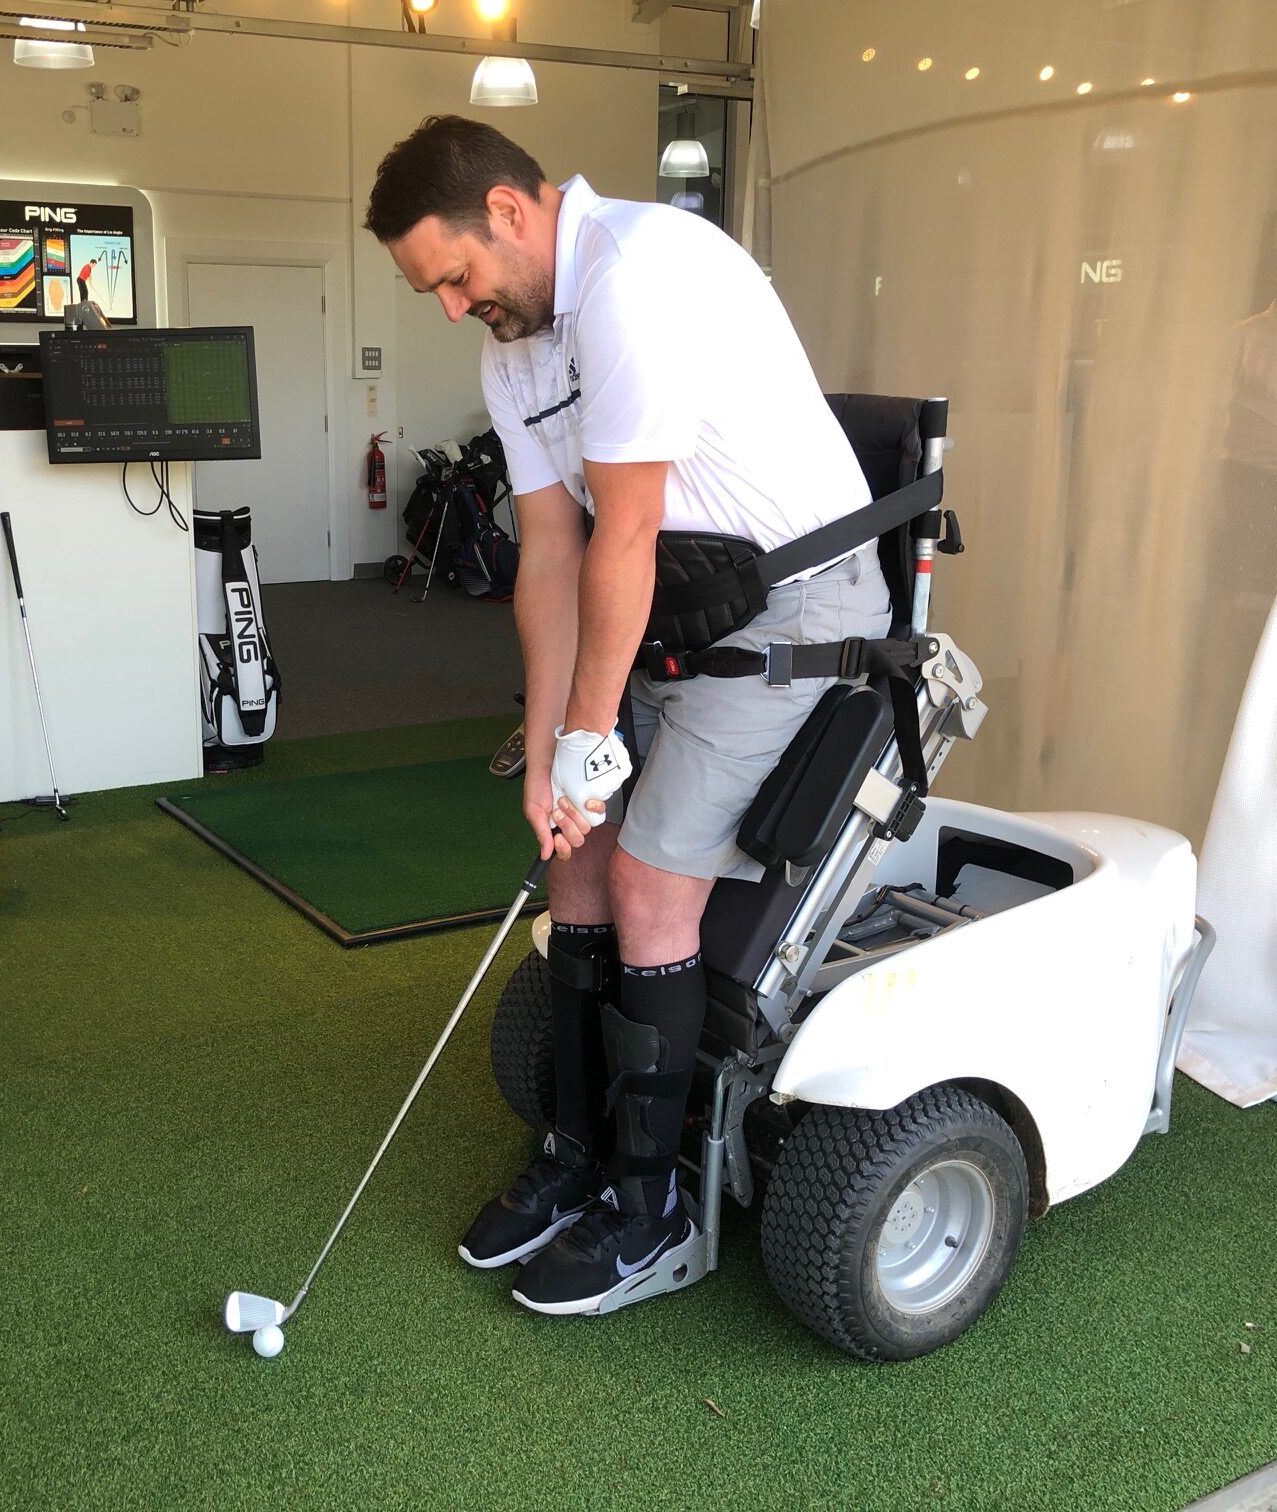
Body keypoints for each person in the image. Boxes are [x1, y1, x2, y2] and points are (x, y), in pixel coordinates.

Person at [365, 117, 888, 1315]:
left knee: (651, 884)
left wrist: (595, 740)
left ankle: (651, 1209)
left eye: (453, 277)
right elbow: (553, 552)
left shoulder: (637, 273)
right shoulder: (515, 348)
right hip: (675, 604)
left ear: (508, 212)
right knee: (577, 862)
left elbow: (631, 531)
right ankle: (577, 1156)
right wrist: (555, 753)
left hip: (796, 601)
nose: (451, 307)